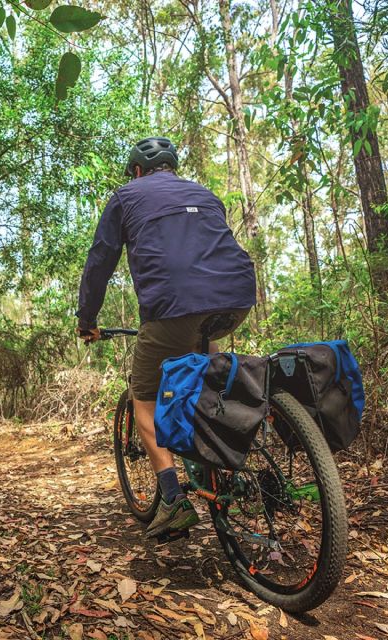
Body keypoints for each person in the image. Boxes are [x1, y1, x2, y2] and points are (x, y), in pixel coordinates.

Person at [76, 137, 257, 539]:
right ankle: (228, 467)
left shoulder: (125, 196)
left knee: (146, 399)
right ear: (172, 167)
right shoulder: (206, 194)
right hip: (237, 299)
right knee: (210, 379)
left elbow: (99, 262)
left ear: (137, 171)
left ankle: (173, 500)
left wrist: (86, 318)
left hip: (174, 306)